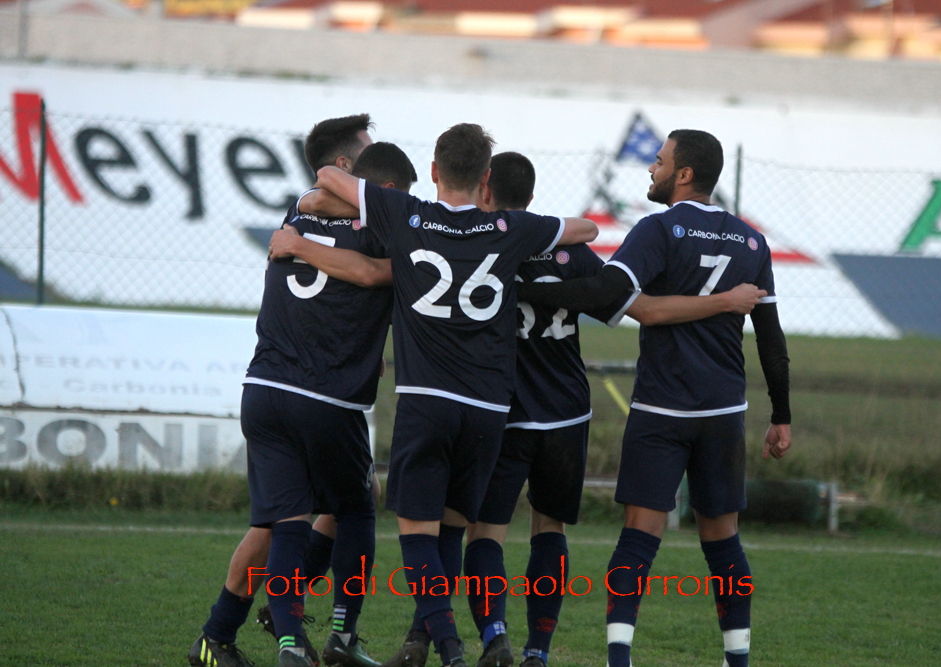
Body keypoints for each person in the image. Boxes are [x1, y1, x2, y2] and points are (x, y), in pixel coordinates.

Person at [302, 123, 597, 667]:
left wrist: (327, 203)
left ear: (434, 171)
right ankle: (475, 642)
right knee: (454, 530)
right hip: (488, 410)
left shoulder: (404, 213)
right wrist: (530, 233)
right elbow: (587, 229)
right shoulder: (510, 227)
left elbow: (326, 176)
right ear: (486, 179)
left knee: (416, 535)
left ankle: (451, 651)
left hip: (427, 401)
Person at [461, 152, 766, 667]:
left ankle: (495, 635)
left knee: (486, 531)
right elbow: (630, 306)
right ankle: (538, 650)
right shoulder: (571, 253)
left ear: (484, 190)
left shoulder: (476, 252)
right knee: (549, 529)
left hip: (503, 411)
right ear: (532, 199)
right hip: (566, 415)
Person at [186, 123, 412, 667]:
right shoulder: (383, 224)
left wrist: (302, 242)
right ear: (344, 168)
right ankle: (337, 635)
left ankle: (250, 636)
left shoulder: (297, 212)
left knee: (285, 520)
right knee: (352, 509)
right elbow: (369, 271)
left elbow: (317, 201)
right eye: (363, 151)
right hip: (325, 397)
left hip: (265, 388)